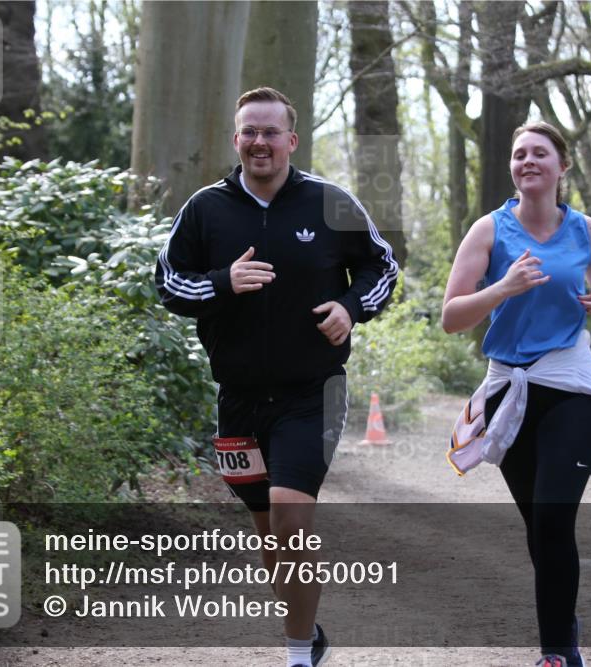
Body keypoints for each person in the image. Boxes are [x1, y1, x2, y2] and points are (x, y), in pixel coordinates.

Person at [155, 87, 398, 667]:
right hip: (238, 398)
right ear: (236, 140)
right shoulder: (205, 209)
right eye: (249, 132)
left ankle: (295, 656)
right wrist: (221, 282)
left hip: (310, 392)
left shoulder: (329, 201)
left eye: (271, 132)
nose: (259, 142)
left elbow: (381, 266)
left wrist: (350, 307)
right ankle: (308, 633)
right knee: (270, 528)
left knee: (292, 509)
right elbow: (168, 282)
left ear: (292, 139)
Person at [442, 121, 591, 667]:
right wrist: (503, 287)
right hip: (511, 389)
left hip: (573, 384)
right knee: (538, 525)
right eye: (518, 154)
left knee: (553, 517)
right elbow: (450, 317)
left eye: (539, 153)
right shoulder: (488, 231)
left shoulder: (588, 231)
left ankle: (558, 652)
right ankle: (564, 618)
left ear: (562, 165)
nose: (527, 161)